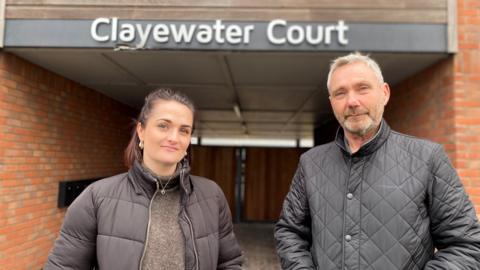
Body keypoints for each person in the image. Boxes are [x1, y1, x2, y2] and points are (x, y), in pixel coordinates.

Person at [275, 52, 480, 269]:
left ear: (384, 93)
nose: (352, 102)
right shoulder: (311, 163)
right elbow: (290, 232)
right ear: (332, 102)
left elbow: (466, 246)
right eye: (340, 93)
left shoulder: (428, 159)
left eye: (362, 88)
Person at [45, 88, 244, 269]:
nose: (174, 138)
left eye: (184, 130)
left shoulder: (211, 196)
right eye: (163, 126)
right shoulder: (97, 197)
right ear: (141, 131)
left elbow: (230, 263)